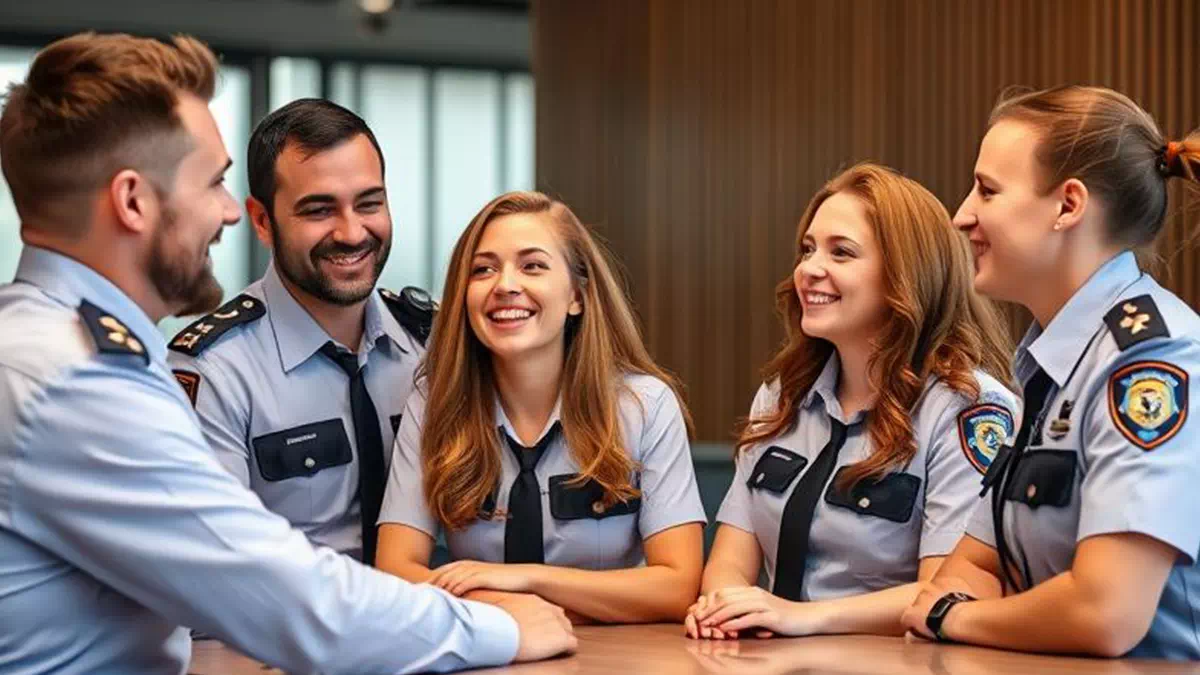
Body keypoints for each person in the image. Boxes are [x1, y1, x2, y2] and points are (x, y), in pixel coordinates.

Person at [0, 31, 574, 674]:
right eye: (212, 184)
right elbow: (278, 597)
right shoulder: (73, 380)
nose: (227, 213)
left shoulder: (50, 349)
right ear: (133, 201)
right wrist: (498, 627)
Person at [901, 85, 1200, 659]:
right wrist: (969, 607)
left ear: (1068, 206)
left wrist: (951, 617)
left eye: (988, 190)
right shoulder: (1054, 360)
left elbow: (1105, 613)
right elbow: (972, 567)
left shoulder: (1152, 360)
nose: (962, 215)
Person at [687, 163, 1017, 639]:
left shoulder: (967, 408)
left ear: (905, 275)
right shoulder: (783, 394)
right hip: (770, 656)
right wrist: (723, 608)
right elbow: (730, 561)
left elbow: (948, 590)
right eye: (808, 249)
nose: (809, 269)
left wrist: (798, 618)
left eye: (841, 252)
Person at [375, 191, 708, 623]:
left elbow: (677, 586)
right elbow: (396, 572)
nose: (505, 285)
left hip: (614, 653)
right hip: (481, 648)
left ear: (577, 296)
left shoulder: (645, 406)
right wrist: (507, 608)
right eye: (483, 269)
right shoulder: (434, 405)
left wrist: (526, 580)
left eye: (532, 266)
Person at [167, 98, 432, 564]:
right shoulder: (215, 371)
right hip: (287, 612)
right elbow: (218, 566)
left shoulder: (434, 343)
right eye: (319, 210)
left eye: (369, 203)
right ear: (262, 221)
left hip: (436, 604)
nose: (352, 233)